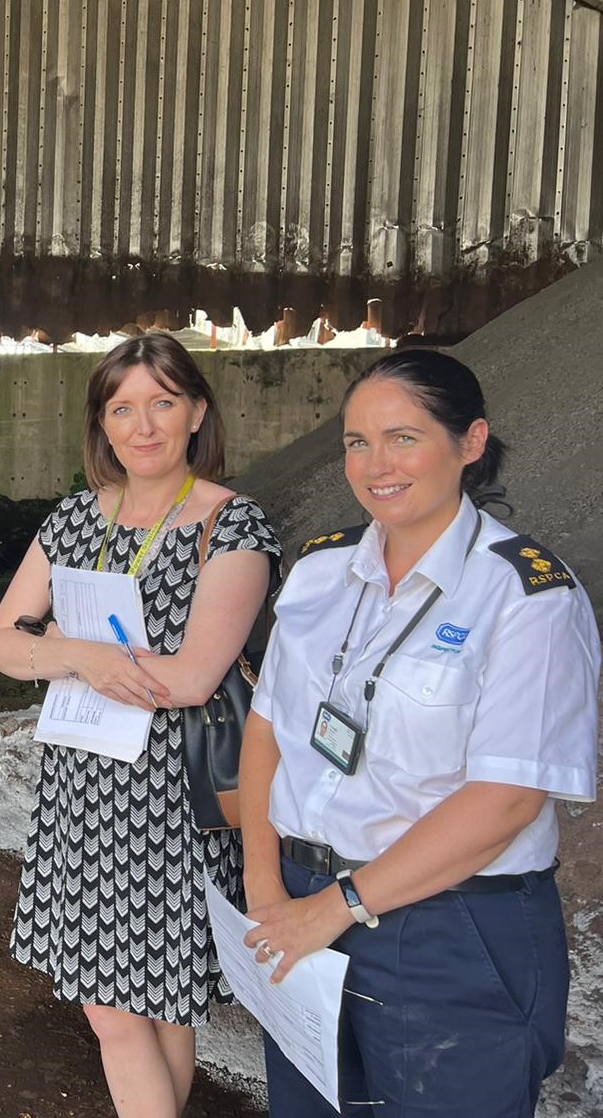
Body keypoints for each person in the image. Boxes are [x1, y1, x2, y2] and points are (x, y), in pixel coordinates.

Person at [239, 349, 600, 1116]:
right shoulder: (318, 572)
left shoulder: (527, 597)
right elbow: (267, 730)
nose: (376, 465)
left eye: (404, 438)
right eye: (357, 442)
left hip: (451, 929)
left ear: (470, 442)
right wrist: (265, 884)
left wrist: (334, 906)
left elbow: (505, 800)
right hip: (300, 901)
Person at [0, 331, 279, 1118]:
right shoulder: (75, 519)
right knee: (139, 1006)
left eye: (162, 404)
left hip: (172, 799)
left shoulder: (233, 526)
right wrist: (81, 655)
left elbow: (191, 679)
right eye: (122, 408)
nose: (142, 426)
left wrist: (72, 658)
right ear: (101, 424)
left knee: (138, 1008)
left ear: (196, 413)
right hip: (82, 788)